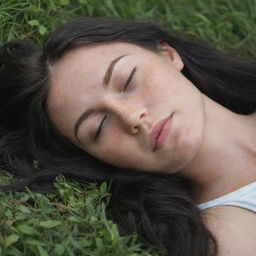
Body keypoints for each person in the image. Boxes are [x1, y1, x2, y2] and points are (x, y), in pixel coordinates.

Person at [1, 17, 256, 256]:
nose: (132, 117)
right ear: (98, 159)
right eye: (99, 127)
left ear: (168, 55)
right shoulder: (230, 238)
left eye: (128, 80)